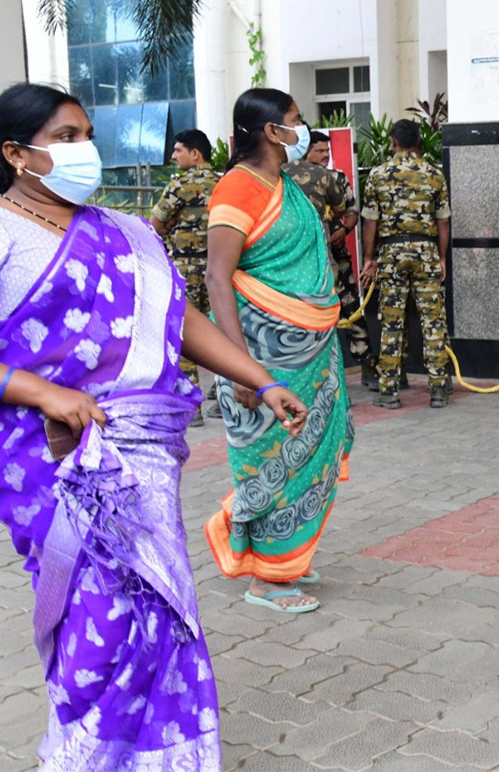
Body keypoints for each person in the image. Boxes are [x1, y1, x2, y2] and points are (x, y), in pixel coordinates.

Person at [0, 83, 309, 768]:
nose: (86, 150)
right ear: (17, 154)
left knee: (160, 611)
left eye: (86, 134)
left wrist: (260, 379)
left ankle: (165, 756)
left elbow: (181, 321)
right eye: (67, 137)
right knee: (99, 620)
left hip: (143, 456)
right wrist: (41, 393)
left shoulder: (128, 231)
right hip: (53, 462)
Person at [204, 88, 354, 613]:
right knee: (269, 459)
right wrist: (241, 369)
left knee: (309, 457)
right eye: (296, 121)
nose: (303, 129)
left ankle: (285, 556)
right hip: (262, 358)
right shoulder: (238, 188)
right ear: (272, 131)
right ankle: (265, 578)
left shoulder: (283, 184)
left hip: (310, 355)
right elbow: (216, 278)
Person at [359, 120, 452, 410]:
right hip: (426, 251)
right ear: (418, 142)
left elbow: (370, 222)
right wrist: (441, 256)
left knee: (391, 322)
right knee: (433, 322)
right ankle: (438, 388)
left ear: (393, 142)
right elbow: (443, 221)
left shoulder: (378, 174)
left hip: (390, 254)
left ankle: (389, 391)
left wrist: (369, 259)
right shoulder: (434, 174)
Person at [283, 128, 379, 390]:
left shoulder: (335, 177)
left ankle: (367, 364)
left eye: (328, 151)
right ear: (306, 151)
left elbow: (350, 212)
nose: (325, 156)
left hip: (336, 257)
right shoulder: (284, 176)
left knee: (351, 309)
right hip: (306, 259)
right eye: (319, 151)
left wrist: (343, 230)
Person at [152, 129, 220, 426]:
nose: (173, 156)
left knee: (185, 335)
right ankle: (225, 397)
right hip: (221, 268)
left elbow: (156, 222)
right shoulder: (224, 182)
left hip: (187, 268)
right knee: (222, 333)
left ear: (196, 154)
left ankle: (192, 408)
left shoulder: (181, 183)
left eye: (178, 150)